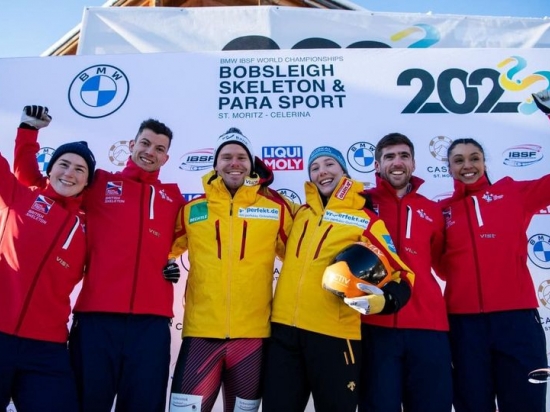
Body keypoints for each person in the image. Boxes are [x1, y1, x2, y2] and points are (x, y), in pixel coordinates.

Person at [15, 116, 184, 412]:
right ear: (131, 145)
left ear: (166, 157)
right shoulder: (99, 183)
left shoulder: (173, 197)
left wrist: (170, 260)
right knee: (87, 404)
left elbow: (211, 224)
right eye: (144, 143)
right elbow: (38, 183)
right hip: (96, 321)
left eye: (159, 148)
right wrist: (28, 135)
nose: (150, 152)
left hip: (151, 324)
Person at [262, 146, 415, 412]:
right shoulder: (300, 215)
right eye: (315, 167)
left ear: (344, 171)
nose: (322, 171)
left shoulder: (364, 219)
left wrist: (384, 301)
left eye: (329, 164)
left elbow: (402, 275)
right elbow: (265, 207)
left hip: (333, 338)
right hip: (284, 334)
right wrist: (259, 178)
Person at [167, 127, 293, 412]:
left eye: (241, 157)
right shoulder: (192, 209)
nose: (234, 163)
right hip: (201, 333)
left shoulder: (276, 208)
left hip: (251, 338)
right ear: (215, 164)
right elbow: (160, 247)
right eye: (226, 157)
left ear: (251, 164)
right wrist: (165, 264)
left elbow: (304, 254)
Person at [439, 90, 550, 412]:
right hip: (464, 326)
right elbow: (441, 265)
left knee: (526, 405)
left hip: (517, 322)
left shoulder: (514, 193)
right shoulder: (442, 212)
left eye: (474, 158)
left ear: (485, 162)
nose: (467, 165)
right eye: (458, 160)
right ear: (449, 168)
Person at [1, 105, 96, 412]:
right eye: (64, 164)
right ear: (50, 168)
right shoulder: (20, 196)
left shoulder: (89, 226)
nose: (69, 173)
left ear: (87, 183)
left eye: (79, 170)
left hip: (47, 348)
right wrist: (27, 130)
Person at [358, 133, 452, 412]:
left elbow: (441, 266)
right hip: (376, 327)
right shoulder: (359, 205)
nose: (397, 162)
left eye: (403, 156)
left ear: (413, 163)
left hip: (428, 327)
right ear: (377, 165)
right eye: (389, 157)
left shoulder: (432, 210)